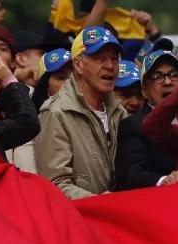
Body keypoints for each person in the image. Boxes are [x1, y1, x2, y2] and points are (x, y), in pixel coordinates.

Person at [36, 26, 128, 198]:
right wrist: (99, 202)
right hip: (79, 220)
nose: (110, 66)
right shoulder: (56, 113)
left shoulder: (119, 112)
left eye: (114, 59)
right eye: (100, 59)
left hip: (117, 218)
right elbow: (54, 184)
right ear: (78, 65)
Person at [117, 49, 178, 189]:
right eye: (157, 76)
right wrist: (163, 180)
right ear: (144, 91)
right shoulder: (133, 126)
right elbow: (129, 175)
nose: (168, 81)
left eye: (174, 75)